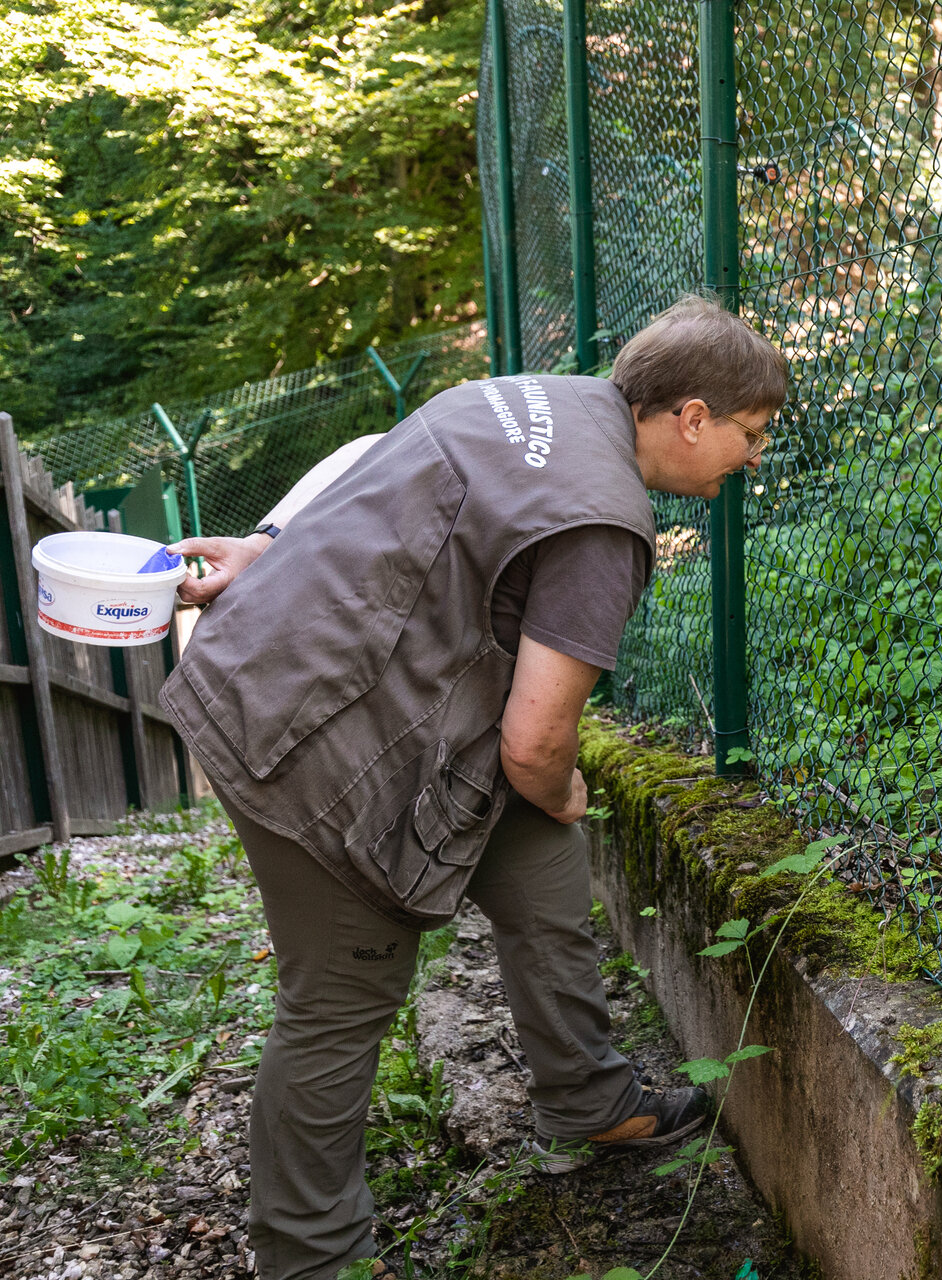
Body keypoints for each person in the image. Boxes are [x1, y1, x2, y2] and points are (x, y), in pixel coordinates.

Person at [159, 294, 787, 1280]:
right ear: (692, 416)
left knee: (538, 852)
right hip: (313, 748)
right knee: (338, 999)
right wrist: (566, 781)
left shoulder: (532, 399)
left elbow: (373, 465)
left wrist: (272, 547)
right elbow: (536, 745)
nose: (751, 458)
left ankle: (587, 1095)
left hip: (293, 674)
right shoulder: (602, 524)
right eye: (749, 435)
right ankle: (311, 1255)